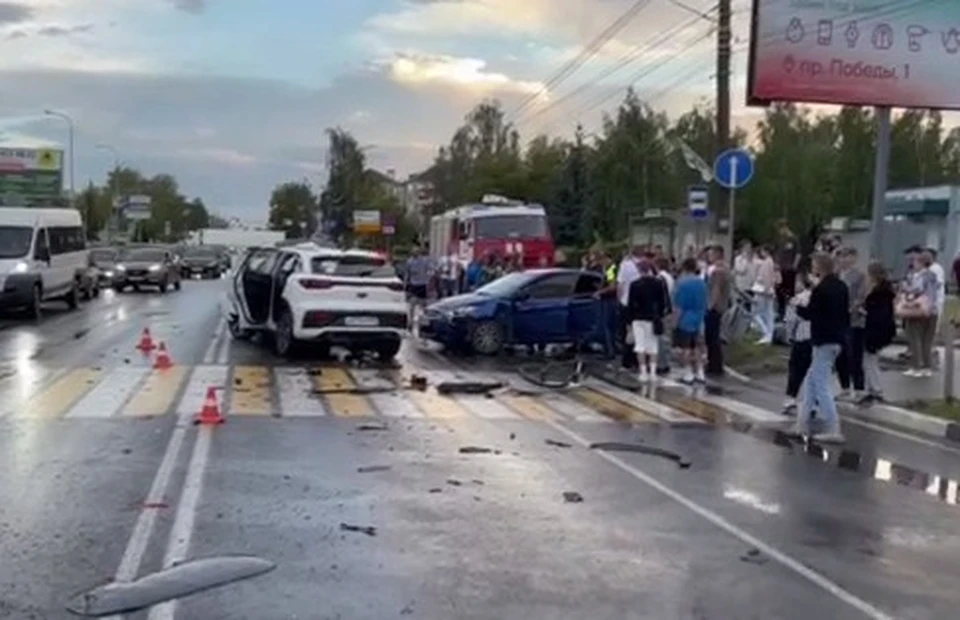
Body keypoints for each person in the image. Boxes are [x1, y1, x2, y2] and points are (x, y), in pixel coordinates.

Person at [794, 252, 848, 443]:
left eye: (814, 265)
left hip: (823, 340)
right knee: (811, 381)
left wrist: (798, 307)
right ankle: (801, 422)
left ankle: (834, 427)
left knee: (820, 384)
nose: (813, 268)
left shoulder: (821, 289)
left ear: (820, 267)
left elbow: (812, 314)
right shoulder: (841, 287)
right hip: (837, 339)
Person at [627, 259, 670, 382]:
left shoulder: (634, 285)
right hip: (653, 318)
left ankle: (643, 372)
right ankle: (652, 373)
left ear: (639, 270)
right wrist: (660, 315)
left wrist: (629, 321)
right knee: (653, 346)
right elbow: (662, 302)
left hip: (638, 318)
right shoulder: (658, 283)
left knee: (640, 345)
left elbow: (630, 304)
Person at [900, 250, 939, 377]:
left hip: (917, 309)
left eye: (915, 261)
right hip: (932, 311)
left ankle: (917, 366)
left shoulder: (919, 276)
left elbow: (918, 291)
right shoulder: (932, 275)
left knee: (915, 338)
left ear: (922, 263)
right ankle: (927, 367)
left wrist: (907, 289)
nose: (913, 264)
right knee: (926, 340)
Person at [861, 261, 896, 404]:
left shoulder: (879, 292)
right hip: (881, 327)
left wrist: (864, 311)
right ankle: (871, 388)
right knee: (869, 359)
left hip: (876, 328)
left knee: (870, 359)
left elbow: (877, 312)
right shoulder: (885, 291)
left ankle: (875, 389)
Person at [835, 247, 867, 401]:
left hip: (854, 320)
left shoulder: (860, 275)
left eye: (846, 257)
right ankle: (845, 387)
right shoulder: (837, 275)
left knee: (854, 355)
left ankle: (859, 388)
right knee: (841, 356)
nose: (843, 260)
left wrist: (851, 308)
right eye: (841, 257)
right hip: (838, 320)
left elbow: (861, 296)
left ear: (854, 258)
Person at [672, 258, 708, 384]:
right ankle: (700, 372)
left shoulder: (682, 284)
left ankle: (688, 373)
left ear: (684, 268)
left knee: (685, 347)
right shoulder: (702, 283)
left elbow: (679, 306)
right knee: (697, 346)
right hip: (699, 318)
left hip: (685, 319)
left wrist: (674, 323)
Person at [783, 273, 812, 414]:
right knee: (813, 371)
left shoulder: (798, 299)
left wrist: (789, 336)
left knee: (796, 370)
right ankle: (813, 402)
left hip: (801, 337)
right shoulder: (820, 298)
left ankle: (791, 398)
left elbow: (790, 320)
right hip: (817, 339)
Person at [704, 245, 731, 376]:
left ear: (718, 254)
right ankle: (714, 363)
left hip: (715, 307)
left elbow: (716, 290)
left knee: (712, 337)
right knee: (714, 336)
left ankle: (714, 365)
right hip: (721, 306)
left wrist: (709, 306)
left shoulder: (718, 271)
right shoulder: (725, 268)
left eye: (711, 254)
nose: (709, 257)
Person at [616, 246, 643, 369]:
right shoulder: (645, 265)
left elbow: (620, 284)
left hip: (626, 302)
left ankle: (627, 359)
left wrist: (618, 299)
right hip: (640, 304)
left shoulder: (625, 265)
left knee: (626, 331)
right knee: (639, 332)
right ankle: (637, 359)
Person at [751, 245, 778, 344]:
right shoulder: (771, 262)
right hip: (767, 290)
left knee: (756, 312)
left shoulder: (767, 262)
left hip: (763, 290)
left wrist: (767, 290)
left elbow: (766, 277)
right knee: (768, 313)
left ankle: (766, 332)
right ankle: (768, 334)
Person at [404, 246, 433, 334]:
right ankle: (410, 322)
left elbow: (430, 270)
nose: (415, 253)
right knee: (412, 305)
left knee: (423, 305)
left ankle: (423, 322)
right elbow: (407, 273)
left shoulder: (424, 261)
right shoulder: (410, 261)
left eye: (416, 252)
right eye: (414, 252)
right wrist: (406, 284)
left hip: (422, 285)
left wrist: (428, 279)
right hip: (414, 285)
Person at [775, 219, 800, 320]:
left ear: (785, 227)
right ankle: (781, 312)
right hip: (781, 268)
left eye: (781, 229)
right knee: (779, 291)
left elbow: (798, 253)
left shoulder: (793, 239)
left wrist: (794, 265)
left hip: (789, 268)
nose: (780, 232)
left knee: (789, 292)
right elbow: (778, 253)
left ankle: (789, 313)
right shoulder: (781, 239)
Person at [654, 256, 674, 375]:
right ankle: (666, 362)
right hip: (669, 309)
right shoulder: (670, 277)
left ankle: (661, 364)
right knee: (666, 337)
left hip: (662, 311)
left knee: (660, 338)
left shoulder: (659, 278)